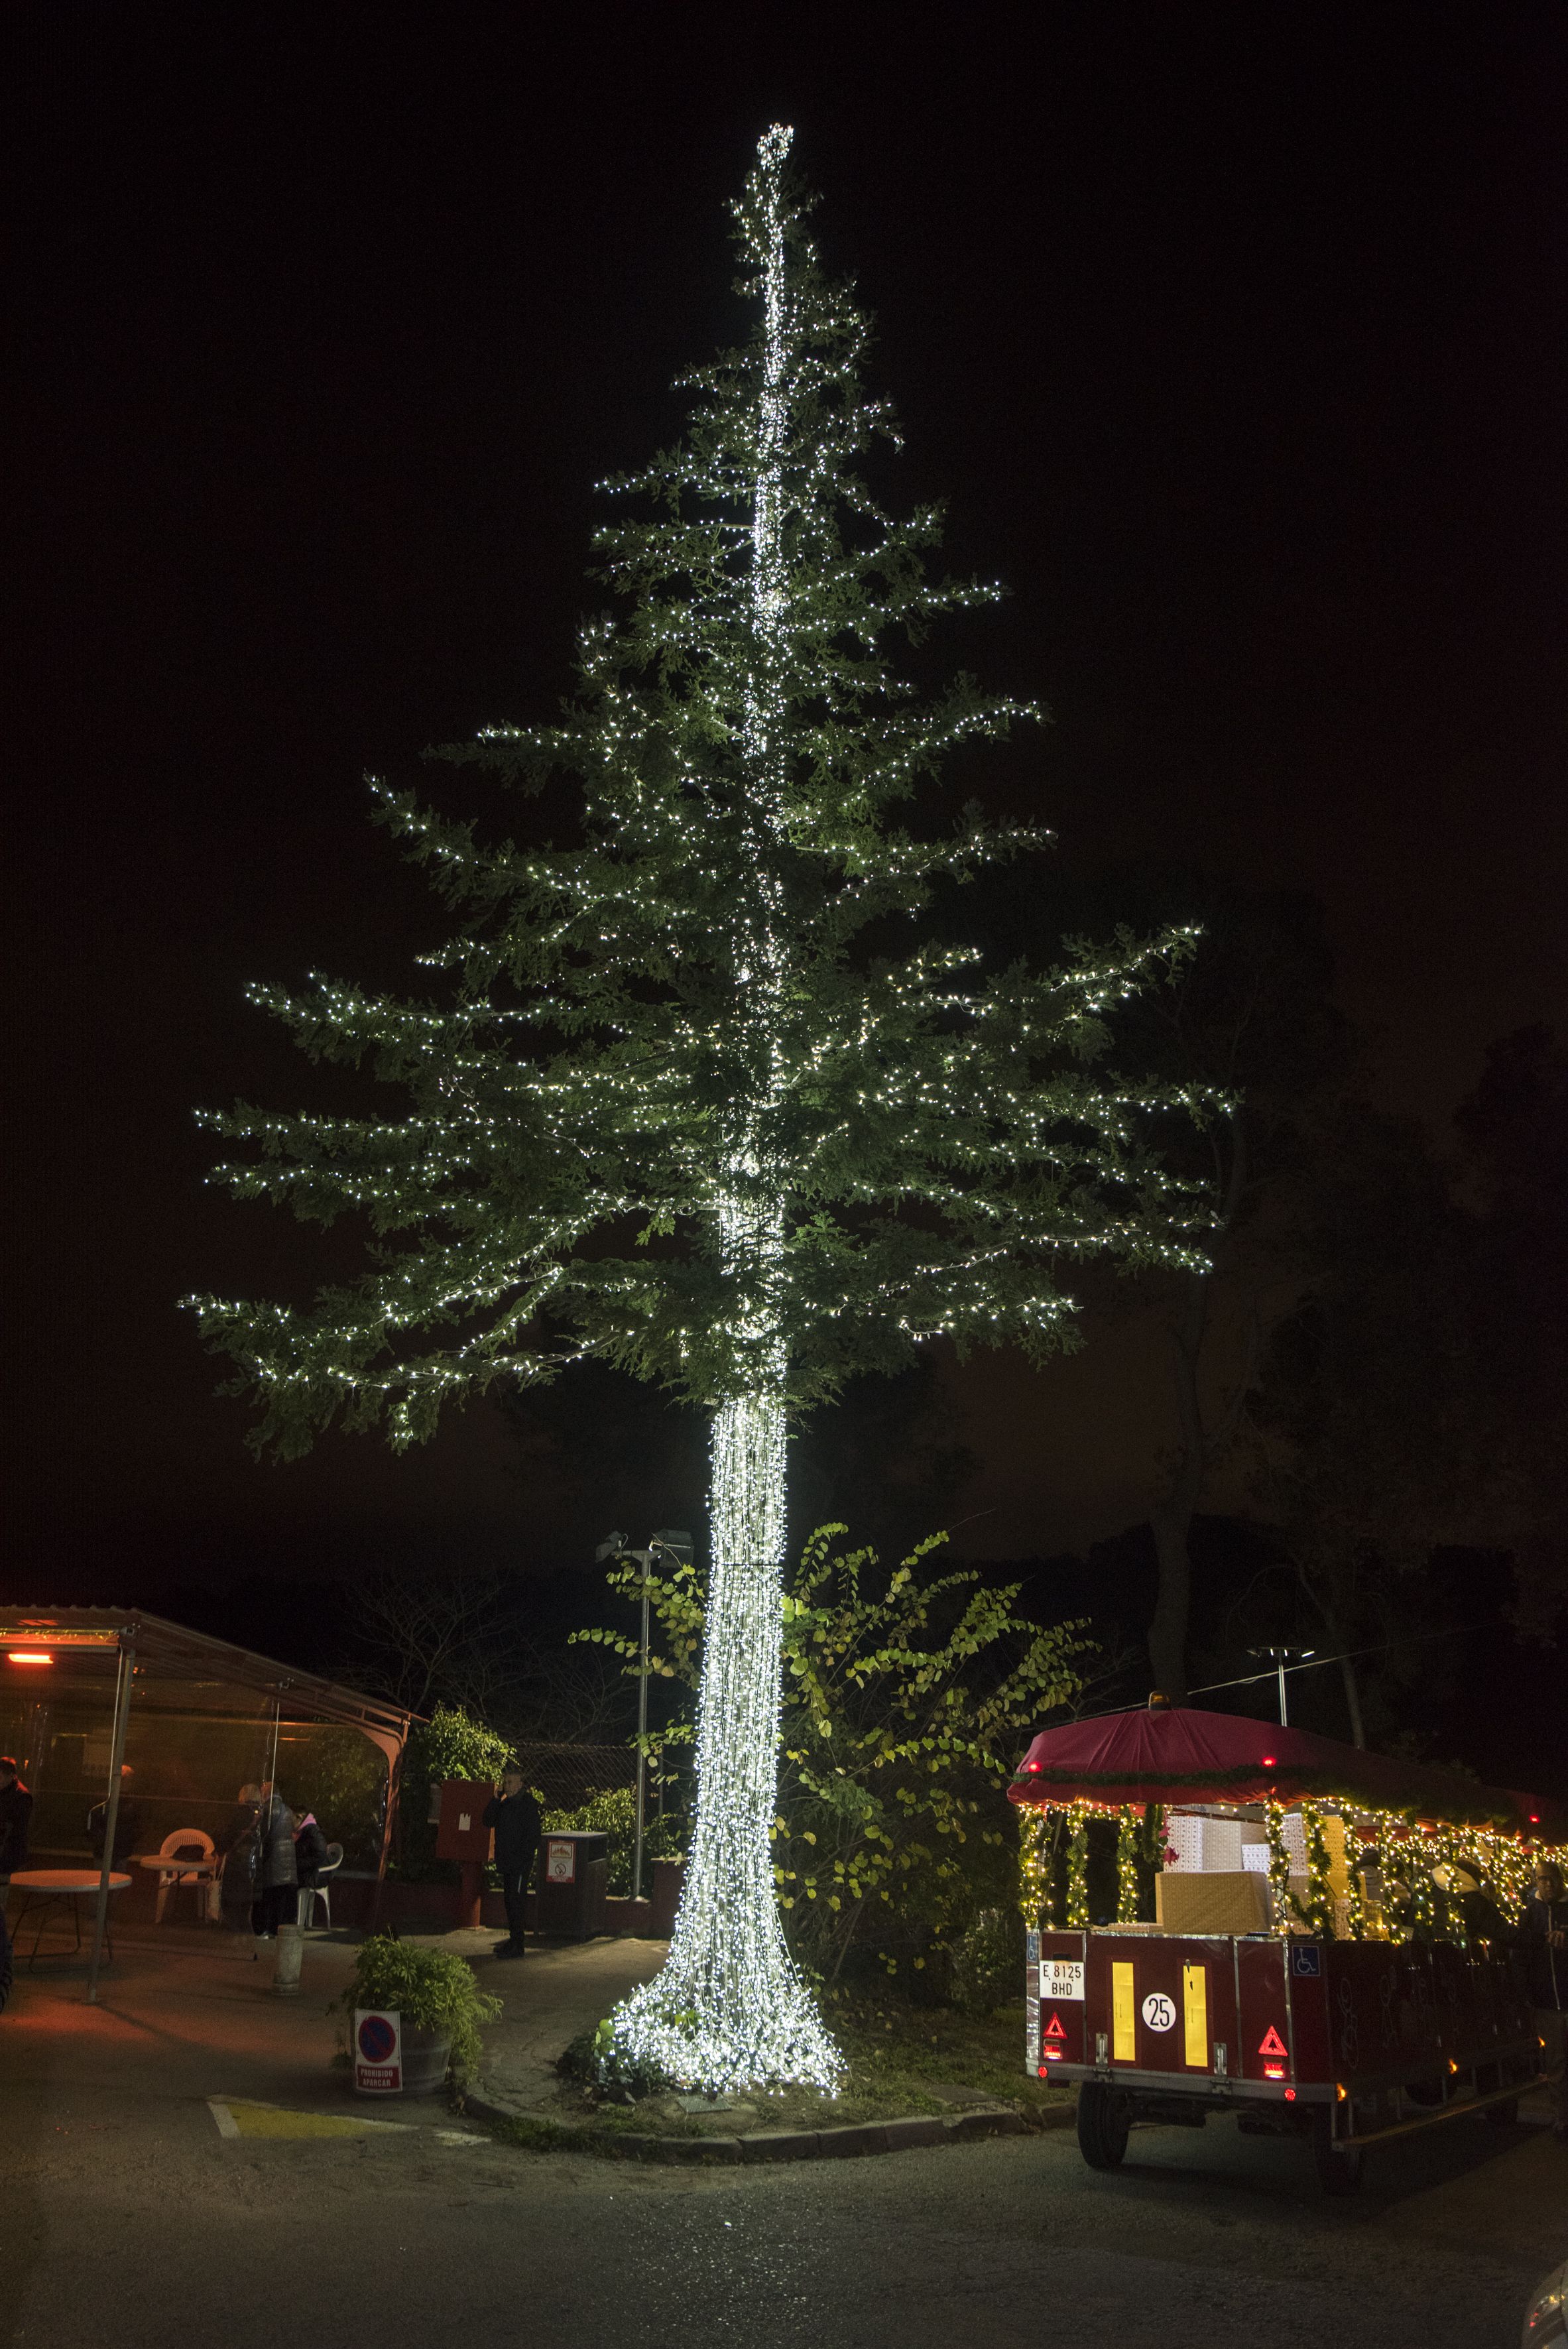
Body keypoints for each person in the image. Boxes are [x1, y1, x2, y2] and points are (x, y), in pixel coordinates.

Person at [1524, 1857, 1568, 2141]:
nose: (1547, 1884)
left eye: (1551, 1878)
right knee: (1556, 2064)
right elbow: (1523, 1953)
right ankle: (1562, 2121)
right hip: (1548, 2003)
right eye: (1542, 1879)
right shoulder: (1531, 1912)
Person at [483, 1766, 540, 1960]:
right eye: (504, 1782)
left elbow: (533, 1836)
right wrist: (496, 1798)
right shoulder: (504, 1804)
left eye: (509, 1782)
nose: (506, 1786)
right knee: (509, 1901)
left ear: (520, 1784)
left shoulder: (528, 1805)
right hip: (507, 1862)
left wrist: (523, 1859)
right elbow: (487, 1820)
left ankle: (518, 1944)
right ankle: (513, 1940)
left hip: (519, 1864)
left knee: (517, 1902)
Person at [250, 1784, 298, 1946]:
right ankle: (276, 1929)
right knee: (281, 1898)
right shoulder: (288, 1810)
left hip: (274, 1860)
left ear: (266, 1794)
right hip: (288, 1859)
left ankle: (264, 1928)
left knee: (268, 1896)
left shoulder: (268, 1810)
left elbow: (263, 1833)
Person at [87, 1765, 141, 1864]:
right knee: (102, 1876)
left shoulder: (132, 1801)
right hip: (105, 1848)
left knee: (118, 1876)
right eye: (127, 1780)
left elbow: (136, 1825)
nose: (130, 1783)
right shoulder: (104, 1800)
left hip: (121, 1849)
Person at [292, 1807, 332, 1927]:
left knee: (286, 1884)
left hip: (316, 1875)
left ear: (299, 1818)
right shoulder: (302, 1833)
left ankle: (293, 1923)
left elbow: (319, 1857)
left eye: (291, 1818)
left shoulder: (313, 1832)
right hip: (309, 1872)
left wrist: (298, 1865)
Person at [0, 1758, 32, 1892]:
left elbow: (15, 1830)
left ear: (11, 1776)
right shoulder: (14, 1793)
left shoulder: (21, 1797)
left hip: (6, 1854)